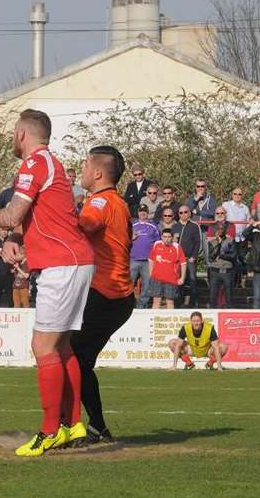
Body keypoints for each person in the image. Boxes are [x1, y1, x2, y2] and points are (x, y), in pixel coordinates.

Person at [0, 108, 94, 457]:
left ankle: (49, 431)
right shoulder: (50, 163)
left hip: (62, 265)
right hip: (72, 261)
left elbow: (12, 213)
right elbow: (29, 218)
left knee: (43, 348)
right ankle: (72, 423)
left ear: (22, 133)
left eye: (13, 132)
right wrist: (13, 238)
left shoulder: (34, 164)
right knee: (61, 348)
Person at [70, 145, 135, 445]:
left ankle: (72, 426)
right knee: (78, 358)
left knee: (67, 355)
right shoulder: (118, 203)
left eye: (84, 165)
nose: (81, 171)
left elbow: (83, 227)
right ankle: (93, 426)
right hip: (117, 297)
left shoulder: (99, 202)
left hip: (106, 294)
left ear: (97, 173)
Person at [130, 204, 159, 309]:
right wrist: (131, 238)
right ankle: (128, 304)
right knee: (129, 283)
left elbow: (158, 243)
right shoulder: (132, 225)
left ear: (148, 213)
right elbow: (124, 240)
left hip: (148, 260)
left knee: (147, 284)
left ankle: (142, 305)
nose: (142, 213)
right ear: (138, 213)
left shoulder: (154, 226)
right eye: (141, 211)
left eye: (145, 211)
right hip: (133, 259)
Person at [148, 228, 185, 310]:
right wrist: (150, 274)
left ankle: (169, 322)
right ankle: (154, 321)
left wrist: (182, 278)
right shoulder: (156, 244)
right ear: (161, 237)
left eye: (169, 237)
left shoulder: (177, 247)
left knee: (170, 302)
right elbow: (151, 260)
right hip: (156, 278)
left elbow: (183, 263)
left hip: (171, 279)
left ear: (172, 237)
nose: (166, 239)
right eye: (164, 237)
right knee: (156, 301)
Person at [176, 205, 202, 307]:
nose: (183, 214)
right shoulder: (175, 226)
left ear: (189, 213)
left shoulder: (194, 225)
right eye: (181, 213)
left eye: (185, 212)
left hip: (189, 259)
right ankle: (179, 302)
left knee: (192, 280)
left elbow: (197, 242)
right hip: (178, 260)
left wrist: (194, 256)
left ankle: (194, 303)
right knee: (179, 281)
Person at [206, 223, 236, 308]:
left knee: (229, 297)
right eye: (218, 229)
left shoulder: (230, 240)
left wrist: (222, 255)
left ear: (225, 230)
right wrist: (219, 244)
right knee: (212, 297)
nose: (219, 231)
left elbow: (233, 256)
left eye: (222, 229)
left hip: (227, 271)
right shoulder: (211, 242)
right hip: (215, 271)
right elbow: (211, 257)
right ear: (215, 231)